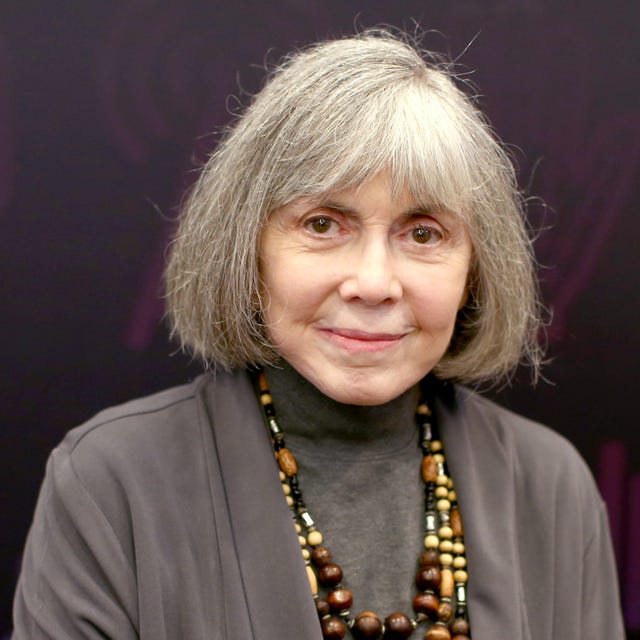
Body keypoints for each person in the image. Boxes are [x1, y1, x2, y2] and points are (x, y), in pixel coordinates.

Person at [12, 31, 624, 640]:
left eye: (423, 233)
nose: (374, 282)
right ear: (248, 250)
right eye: (324, 223)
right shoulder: (111, 481)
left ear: (475, 267)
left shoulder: (550, 488)